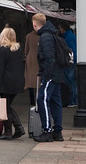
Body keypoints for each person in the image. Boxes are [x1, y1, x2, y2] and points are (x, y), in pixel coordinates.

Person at [0, 27, 26, 140]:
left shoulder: (2, 50)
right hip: (16, 83)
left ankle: (9, 132)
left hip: (5, 83)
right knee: (7, 106)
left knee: (5, 107)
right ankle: (18, 128)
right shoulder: (18, 50)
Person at [32, 13, 64, 142]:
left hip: (50, 74)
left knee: (42, 99)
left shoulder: (45, 37)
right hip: (56, 74)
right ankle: (58, 131)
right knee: (56, 101)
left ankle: (47, 131)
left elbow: (49, 58)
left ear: (35, 24)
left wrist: (46, 74)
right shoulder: (52, 34)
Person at [59, 20, 78, 107]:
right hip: (74, 62)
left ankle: (73, 100)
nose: (60, 30)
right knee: (73, 81)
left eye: (60, 28)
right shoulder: (72, 36)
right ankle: (75, 100)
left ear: (63, 29)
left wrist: (68, 61)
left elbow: (71, 51)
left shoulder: (68, 38)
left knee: (69, 81)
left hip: (70, 63)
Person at [23, 27, 39, 105]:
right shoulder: (43, 36)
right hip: (40, 60)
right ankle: (39, 99)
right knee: (39, 81)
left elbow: (26, 50)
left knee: (30, 81)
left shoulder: (28, 36)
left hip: (31, 60)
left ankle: (32, 100)